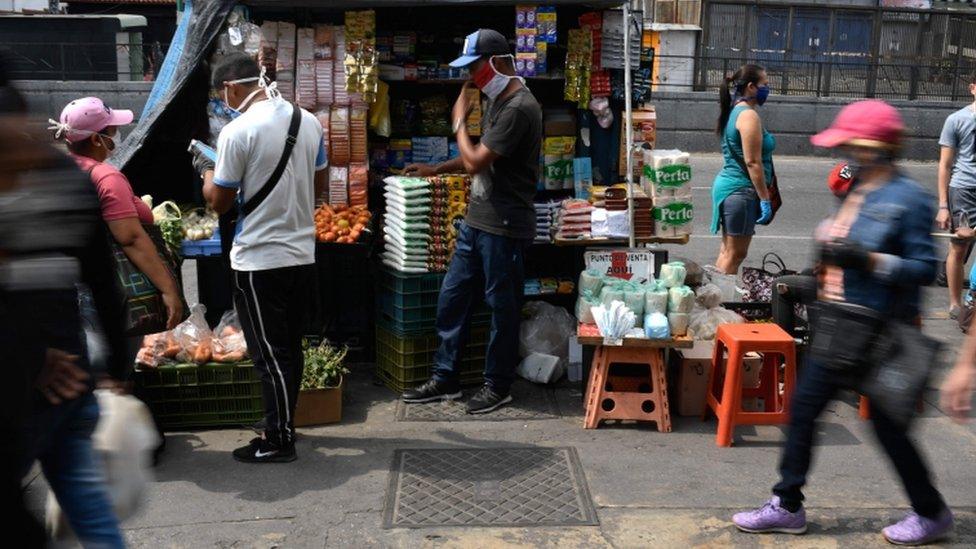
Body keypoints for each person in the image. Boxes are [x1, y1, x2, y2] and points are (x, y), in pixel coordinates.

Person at [732, 100, 953, 546]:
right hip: (838, 326)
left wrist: (868, 259)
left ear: (874, 146)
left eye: (853, 144)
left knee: (888, 428)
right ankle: (787, 505)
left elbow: (923, 267)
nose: (847, 153)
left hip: (880, 332)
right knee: (803, 411)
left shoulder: (908, 199)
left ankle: (931, 513)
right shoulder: (859, 188)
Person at [1, 69, 128, 547]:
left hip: (36, 381)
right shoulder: (71, 179)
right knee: (87, 505)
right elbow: (103, 277)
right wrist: (116, 362)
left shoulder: (59, 177)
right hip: (66, 370)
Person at [191, 53, 327, 463]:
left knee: (269, 354)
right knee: (290, 347)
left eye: (222, 94)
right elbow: (319, 182)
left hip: (258, 260)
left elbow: (218, 202)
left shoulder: (237, 131)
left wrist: (206, 170)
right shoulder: (309, 121)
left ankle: (278, 439)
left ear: (231, 88)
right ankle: (285, 425)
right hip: (302, 253)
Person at [398, 28, 542, 414]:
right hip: (478, 220)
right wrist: (437, 168)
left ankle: (498, 385)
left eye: (475, 68)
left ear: (497, 63)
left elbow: (477, 158)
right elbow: (479, 156)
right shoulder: (499, 101)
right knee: (452, 298)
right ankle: (445, 378)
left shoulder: (519, 108)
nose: (472, 78)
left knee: (502, 306)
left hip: (505, 226)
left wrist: (459, 122)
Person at [51, 97, 183, 332]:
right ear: (95, 139)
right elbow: (130, 238)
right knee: (109, 363)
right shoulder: (106, 178)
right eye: (113, 131)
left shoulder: (55, 169)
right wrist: (168, 289)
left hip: (62, 288)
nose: (117, 135)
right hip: (103, 290)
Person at [711, 64, 776, 274]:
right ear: (751, 87)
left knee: (727, 252)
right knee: (735, 254)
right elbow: (752, 162)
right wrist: (765, 199)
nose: (768, 88)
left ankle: (712, 300)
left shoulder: (735, 111)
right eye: (764, 84)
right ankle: (717, 303)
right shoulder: (748, 116)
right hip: (741, 190)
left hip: (732, 188)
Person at [936, 79, 976, 319]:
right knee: (959, 246)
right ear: (972, 87)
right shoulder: (956, 119)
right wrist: (943, 206)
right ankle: (955, 303)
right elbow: (945, 165)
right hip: (963, 190)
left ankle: (972, 296)